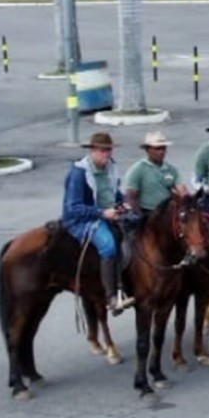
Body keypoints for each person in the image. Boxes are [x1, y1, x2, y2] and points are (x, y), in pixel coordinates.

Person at [60, 132, 134, 315]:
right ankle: (111, 298)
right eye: (102, 151)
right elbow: (73, 207)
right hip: (83, 220)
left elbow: (113, 193)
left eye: (109, 150)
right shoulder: (79, 173)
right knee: (108, 245)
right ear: (92, 151)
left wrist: (123, 202)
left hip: (108, 212)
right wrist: (102, 213)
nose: (107, 155)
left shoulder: (110, 167)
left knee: (137, 231)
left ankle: (125, 286)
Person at [124, 131, 189, 215]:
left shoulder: (172, 170)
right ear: (148, 150)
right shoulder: (137, 169)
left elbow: (182, 190)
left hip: (167, 212)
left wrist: (189, 199)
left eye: (163, 148)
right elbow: (132, 197)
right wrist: (139, 216)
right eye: (157, 148)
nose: (161, 152)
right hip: (147, 211)